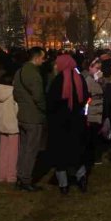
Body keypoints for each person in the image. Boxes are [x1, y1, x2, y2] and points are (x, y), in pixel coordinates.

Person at [46, 54, 89, 195]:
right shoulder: (80, 79)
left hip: (60, 123)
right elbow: (85, 98)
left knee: (61, 153)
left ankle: (63, 185)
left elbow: (51, 103)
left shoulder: (57, 81)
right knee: (77, 151)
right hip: (77, 121)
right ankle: (81, 177)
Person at [13, 47, 47, 192]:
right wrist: (45, 109)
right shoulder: (34, 74)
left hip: (22, 115)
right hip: (33, 117)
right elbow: (39, 97)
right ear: (37, 58)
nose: (44, 60)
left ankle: (20, 176)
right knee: (31, 150)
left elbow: (15, 92)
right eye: (43, 58)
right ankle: (26, 179)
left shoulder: (19, 72)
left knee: (24, 148)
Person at [0, 68, 19, 183]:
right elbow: (17, 109)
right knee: (13, 152)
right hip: (13, 125)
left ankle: (1, 175)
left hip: (1, 123)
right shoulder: (14, 93)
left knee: (3, 150)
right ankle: (11, 176)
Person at [83, 57, 107, 165]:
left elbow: (106, 91)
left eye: (100, 68)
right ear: (90, 68)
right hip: (92, 111)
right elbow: (85, 99)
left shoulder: (102, 79)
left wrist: (101, 81)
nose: (99, 71)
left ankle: (97, 157)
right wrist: (85, 114)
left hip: (100, 110)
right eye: (96, 68)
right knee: (91, 135)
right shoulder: (87, 80)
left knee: (99, 134)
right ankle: (91, 156)